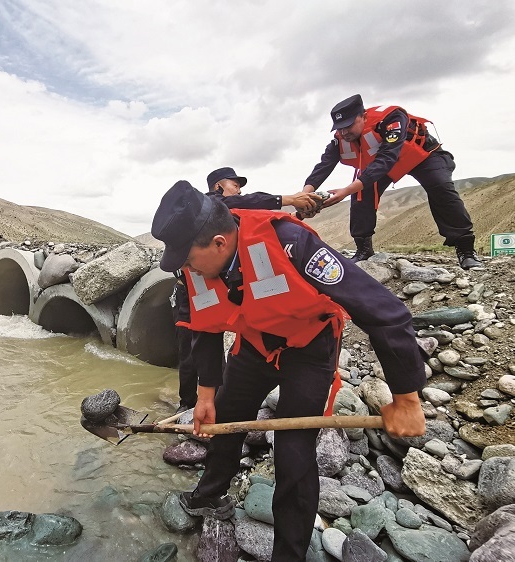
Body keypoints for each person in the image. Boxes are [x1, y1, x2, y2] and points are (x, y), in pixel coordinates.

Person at [151, 180, 426, 562]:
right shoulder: (197, 269)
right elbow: (205, 329)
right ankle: (209, 495)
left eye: (187, 257)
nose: (184, 266)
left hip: (309, 349)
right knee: (227, 418)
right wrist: (206, 396)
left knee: (294, 452)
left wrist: (406, 397)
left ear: (218, 242)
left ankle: (289, 553)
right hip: (255, 345)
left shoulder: (290, 242)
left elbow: (384, 312)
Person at [170, 167, 322, 413]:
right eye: (235, 185)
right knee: (192, 346)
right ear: (218, 187)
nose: (239, 190)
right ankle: (188, 403)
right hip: (191, 291)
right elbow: (246, 201)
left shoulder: (231, 222)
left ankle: (209, 398)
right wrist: (288, 199)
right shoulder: (210, 207)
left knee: (208, 341)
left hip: (210, 289)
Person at [303, 94, 482, 269]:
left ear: (363, 116)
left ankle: (466, 250)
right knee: (361, 194)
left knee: (440, 186)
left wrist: (345, 191)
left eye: (348, 125)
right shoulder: (339, 139)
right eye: (340, 127)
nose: (344, 132)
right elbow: (324, 166)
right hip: (382, 164)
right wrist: (304, 196)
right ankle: (363, 249)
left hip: (421, 156)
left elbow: (387, 158)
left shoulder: (392, 119)